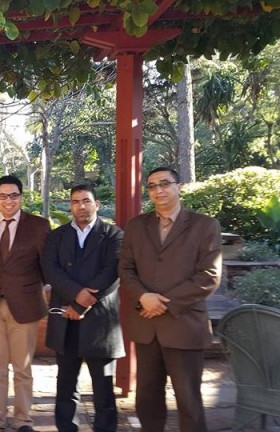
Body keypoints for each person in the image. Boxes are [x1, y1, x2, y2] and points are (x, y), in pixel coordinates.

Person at [119, 167, 222, 432]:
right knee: (147, 399)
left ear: (179, 186)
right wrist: (143, 296)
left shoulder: (204, 225)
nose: (158, 190)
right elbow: (126, 269)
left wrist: (162, 303)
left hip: (184, 325)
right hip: (146, 326)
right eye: (152, 186)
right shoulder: (136, 226)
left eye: (164, 183)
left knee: (188, 401)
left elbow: (209, 276)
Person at [42, 184, 125, 432]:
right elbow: (50, 270)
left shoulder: (113, 235)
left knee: (103, 387)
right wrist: (76, 295)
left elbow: (111, 273)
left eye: (86, 201)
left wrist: (80, 304)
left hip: (99, 321)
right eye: (76, 201)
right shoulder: (57, 236)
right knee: (66, 385)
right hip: (65, 318)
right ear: (71, 206)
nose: (81, 206)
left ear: (96, 204)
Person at [0, 175, 50, 432]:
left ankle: (23, 419)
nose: (9, 200)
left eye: (14, 195)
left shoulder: (38, 226)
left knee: (22, 367)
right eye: (3, 195)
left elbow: (45, 266)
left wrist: (23, 286)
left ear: (21, 196)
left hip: (25, 305)